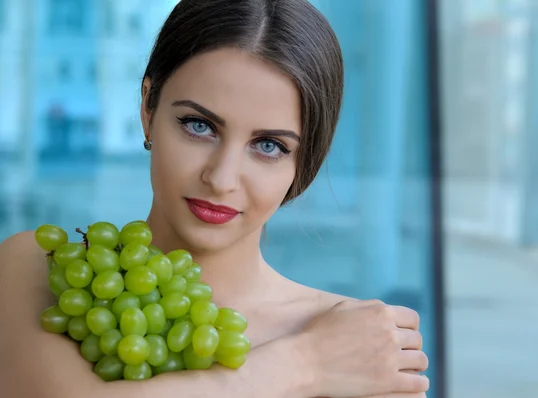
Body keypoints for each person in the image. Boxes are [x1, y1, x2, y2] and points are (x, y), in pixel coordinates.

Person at [0, 1, 430, 397]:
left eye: (268, 146)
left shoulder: (367, 346)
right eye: (199, 126)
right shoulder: (40, 270)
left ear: (305, 162)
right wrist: (304, 363)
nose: (221, 179)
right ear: (148, 106)